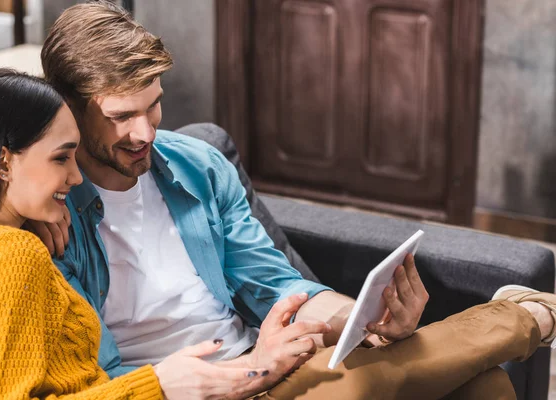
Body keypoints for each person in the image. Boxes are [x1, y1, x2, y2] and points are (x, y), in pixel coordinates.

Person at [30, 2, 556, 399]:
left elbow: (275, 285)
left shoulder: (196, 166)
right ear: (69, 111)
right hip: (193, 387)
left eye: (154, 106)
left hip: (263, 360)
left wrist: (364, 319)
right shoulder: (48, 211)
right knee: (364, 390)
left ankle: (521, 317)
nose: (145, 132)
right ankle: (525, 318)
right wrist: (249, 370)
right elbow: (97, 379)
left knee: (481, 387)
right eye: (121, 116)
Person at [0, 69, 269, 399]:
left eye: (74, 157)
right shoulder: (13, 255)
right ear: (2, 164)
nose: (77, 178)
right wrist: (158, 384)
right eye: (60, 158)